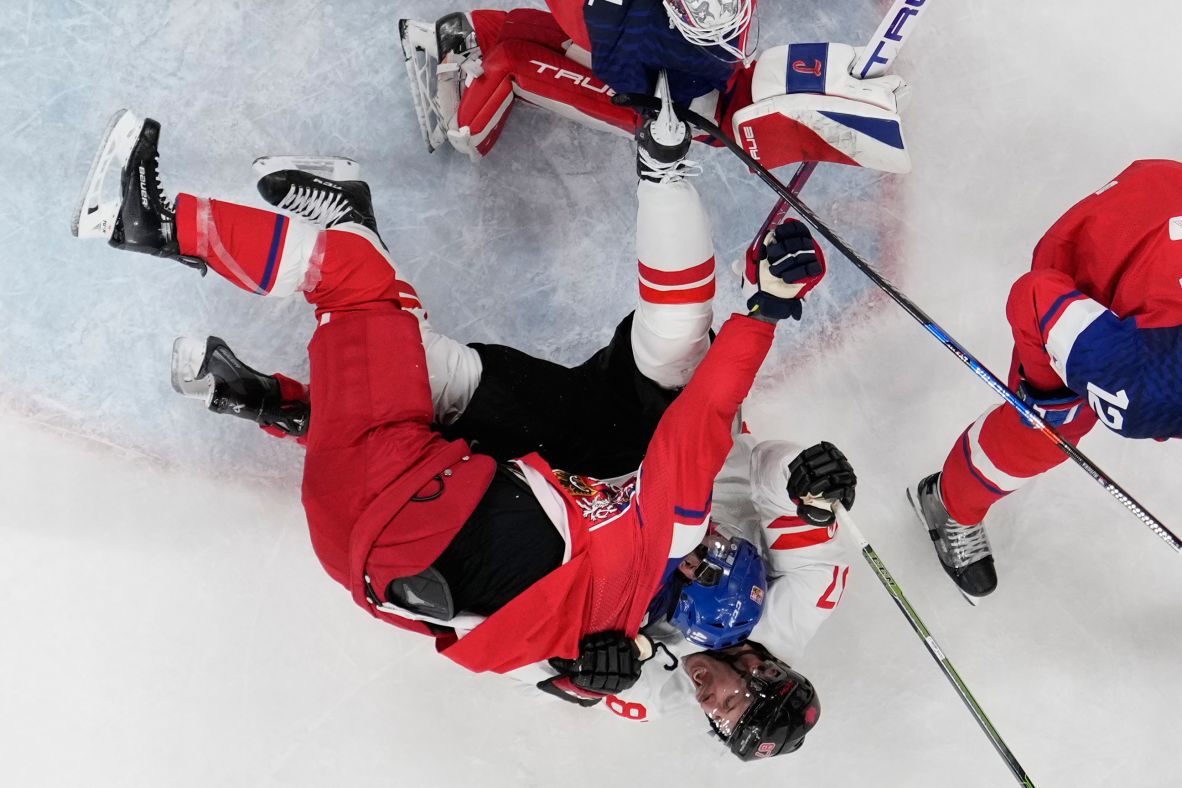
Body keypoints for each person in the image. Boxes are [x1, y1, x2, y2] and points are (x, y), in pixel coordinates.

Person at [72, 99, 854, 758]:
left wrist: (764, 312)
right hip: (435, 524)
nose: (713, 704)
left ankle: (163, 227)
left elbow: (697, 436)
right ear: (764, 667)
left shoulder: (666, 551)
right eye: (734, 702)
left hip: (468, 498)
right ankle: (284, 389)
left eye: (722, 719)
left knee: (363, 297)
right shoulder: (731, 575)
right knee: (408, 353)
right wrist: (811, 484)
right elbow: (746, 464)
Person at [909, 160, 1182, 601]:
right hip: (1099, 251)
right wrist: (1049, 400)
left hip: (1164, 196)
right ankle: (949, 503)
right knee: (1042, 434)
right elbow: (1035, 296)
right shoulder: (1143, 386)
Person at [397, 5, 912, 175]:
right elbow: (608, 54)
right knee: (516, 48)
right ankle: (468, 64)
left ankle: (470, 87)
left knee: (520, 55)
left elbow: (611, 55)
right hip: (657, 81)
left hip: (666, 89)